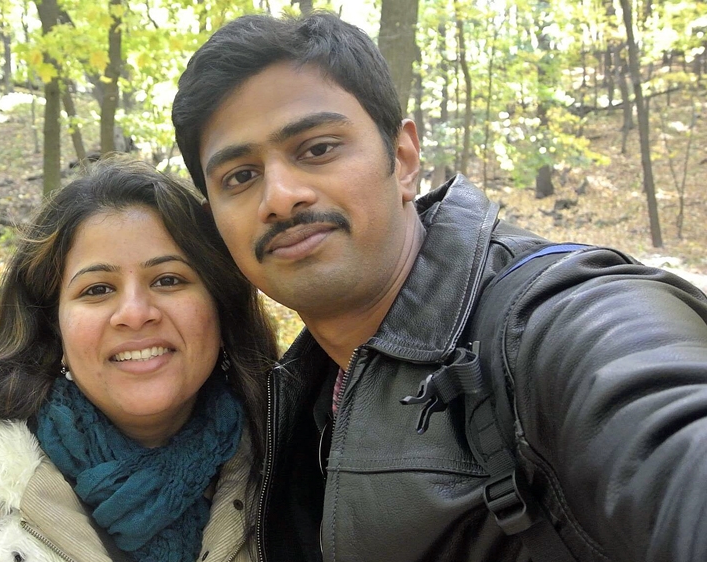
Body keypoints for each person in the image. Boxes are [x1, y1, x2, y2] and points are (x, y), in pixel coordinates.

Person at [172, 11, 707, 562]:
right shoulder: (292, 397)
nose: (280, 196)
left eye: (318, 149)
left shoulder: (554, 322)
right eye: (240, 176)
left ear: (403, 160)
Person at [0, 158, 277, 562]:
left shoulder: (288, 465)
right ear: (54, 327)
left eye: (168, 280)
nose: (134, 313)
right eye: (97, 289)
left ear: (220, 307)